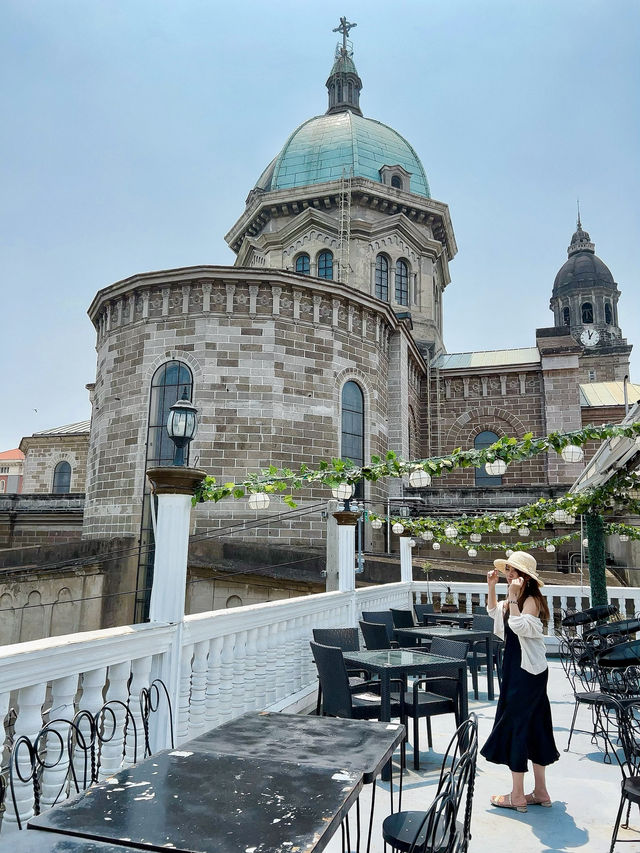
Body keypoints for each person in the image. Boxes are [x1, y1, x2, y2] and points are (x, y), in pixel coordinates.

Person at [480, 550, 559, 813]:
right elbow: (494, 612)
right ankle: (540, 791)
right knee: (534, 723)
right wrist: (492, 587)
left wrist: (513, 598)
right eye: (507, 571)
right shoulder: (515, 599)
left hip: (528, 673)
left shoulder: (532, 600)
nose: (508, 575)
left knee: (518, 723)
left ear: (524, 577)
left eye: (512, 572)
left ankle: (517, 795)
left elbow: (520, 626)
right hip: (517, 667)